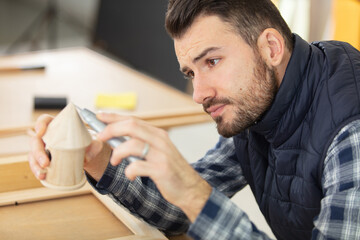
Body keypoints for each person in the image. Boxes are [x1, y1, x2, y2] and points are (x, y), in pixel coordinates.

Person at [28, 0, 360, 239]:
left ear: (270, 48)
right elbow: (178, 210)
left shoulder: (351, 131)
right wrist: (97, 157)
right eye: (190, 71)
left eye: (212, 61)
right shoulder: (259, 102)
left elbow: (193, 198)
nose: (198, 93)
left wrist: (193, 194)